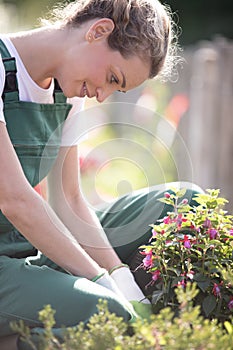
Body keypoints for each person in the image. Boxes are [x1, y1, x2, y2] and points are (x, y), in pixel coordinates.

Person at [0, 0, 202, 348]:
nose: (101, 94)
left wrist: (124, 281)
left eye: (115, 88)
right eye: (111, 78)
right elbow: (15, 199)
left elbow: (70, 202)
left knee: (185, 202)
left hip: (28, 247)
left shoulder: (67, 89)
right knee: (109, 312)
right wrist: (101, 280)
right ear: (98, 31)